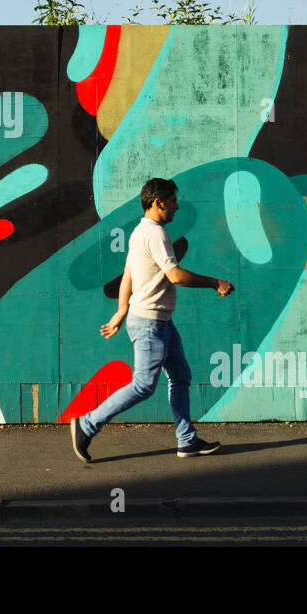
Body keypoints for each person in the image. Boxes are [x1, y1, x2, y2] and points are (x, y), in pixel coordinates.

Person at [71, 177, 234, 462]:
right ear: (158, 203)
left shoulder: (140, 232)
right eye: (173, 201)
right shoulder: (156, 233)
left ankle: (187, 441)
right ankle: (86, 425)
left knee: (180, 376)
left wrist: (121, 311)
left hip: (159, 322)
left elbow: (129, 274)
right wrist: (214, 282)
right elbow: (175, 276)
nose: (177, 207)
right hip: (150, 323)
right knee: (143, 385)